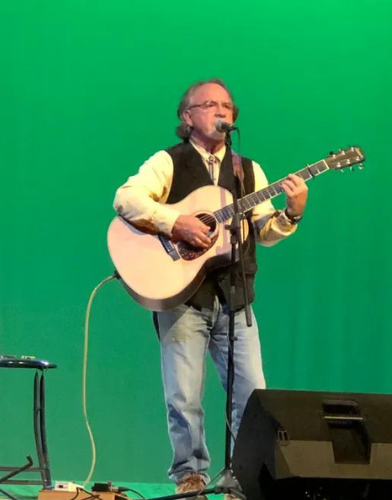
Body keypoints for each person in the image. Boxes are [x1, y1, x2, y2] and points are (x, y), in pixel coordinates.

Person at [113, 78, 308, 497]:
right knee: (184, 396)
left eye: (227, 106)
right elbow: (126, 199)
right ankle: (190, 476)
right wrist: (176, 222)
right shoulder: (168, 162)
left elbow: (264, 230)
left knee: (252, 396)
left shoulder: (247, 170)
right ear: (187, 117)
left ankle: (244, 475)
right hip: (184, 296)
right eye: (209, 105)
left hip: (236, 297)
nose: (221, 111)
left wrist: (291, 214)